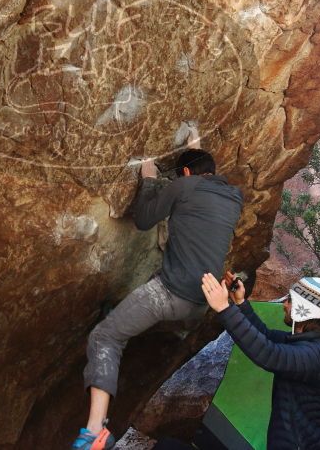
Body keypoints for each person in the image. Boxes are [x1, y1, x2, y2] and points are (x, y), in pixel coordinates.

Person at [72, 149, 243, 450]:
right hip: (202, 302)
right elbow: (199, 176)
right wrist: (194, 146)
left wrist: (149, 180)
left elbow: (144, 220)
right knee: (140, 305)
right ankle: (123, 313)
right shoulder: (233, 197)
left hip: (171, 293)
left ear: (186, 174)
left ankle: (94, 432)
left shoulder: (184, 185)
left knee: (105, 336)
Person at [202, 272, 320, 450]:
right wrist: (240, 303)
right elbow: (266, 336)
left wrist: (224, 309)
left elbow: (269, 354)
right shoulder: (308, 342)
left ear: (302, 307)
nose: (284, 305)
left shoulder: (315, 355)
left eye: (290, 300)